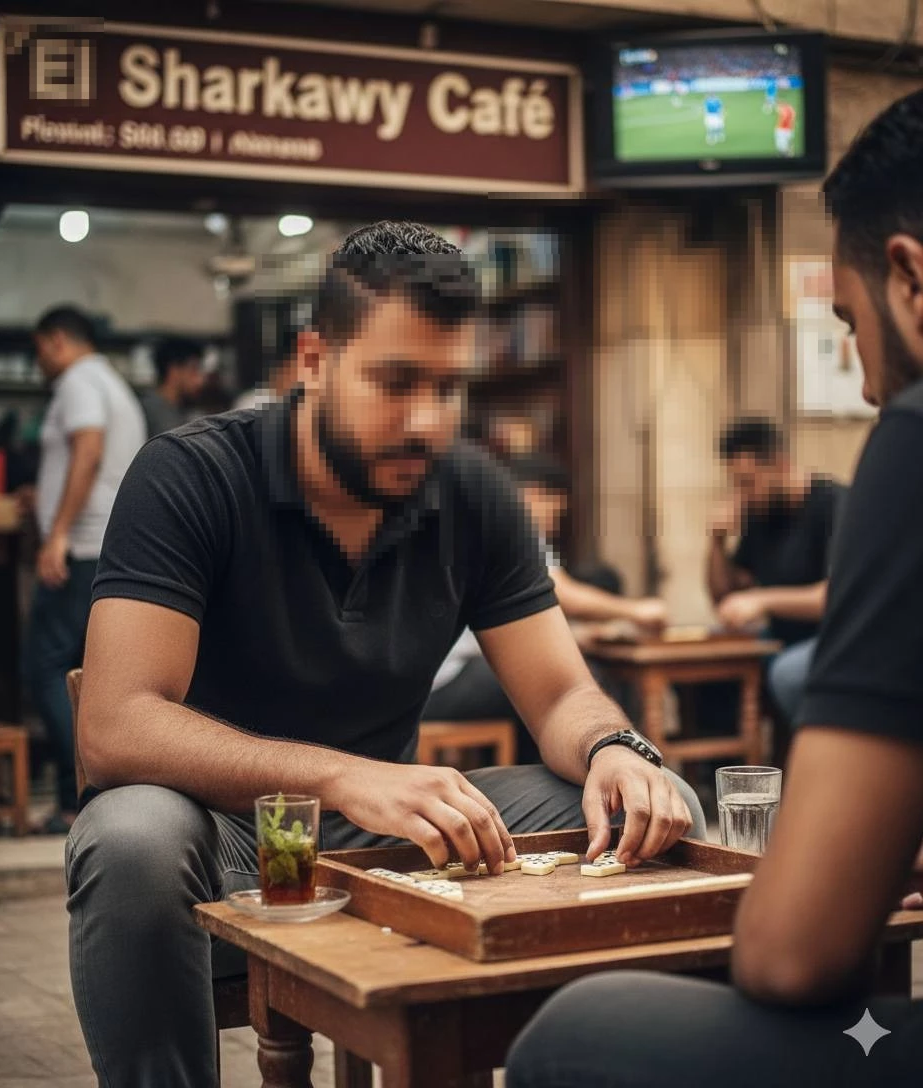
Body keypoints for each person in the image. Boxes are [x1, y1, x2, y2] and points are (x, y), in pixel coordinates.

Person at [67, 222, 705, 1088]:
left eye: (448, 387)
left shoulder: (473, 492)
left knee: (653, 815)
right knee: (130, 837)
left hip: (388, 827)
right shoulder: (192, 476)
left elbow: (559, 696)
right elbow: (114, 724)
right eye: (395, 382)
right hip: (223, 834)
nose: (426, 421)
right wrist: (338, 776)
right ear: (315, 360)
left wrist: (614, 751)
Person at [506, 86, 923, 1088]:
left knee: (580, 1028)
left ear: (908, 280)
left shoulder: (904, 446)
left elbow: (792, 953)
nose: (866, 382)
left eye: (851, 327)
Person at [425, 455, 667, 761]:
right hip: (442, 685)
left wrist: (577, 636)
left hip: (440, 683)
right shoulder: (508, 526)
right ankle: (604, 768)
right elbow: (562, 591)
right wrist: (636, 611)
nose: (557, 518)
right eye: (555, 506)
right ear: (531, 495)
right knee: (577, 684)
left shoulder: (471, 525)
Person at [24, 306, 146, 834]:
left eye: (39, 351)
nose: (39, 363)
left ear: (54, 341)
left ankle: (81, 797)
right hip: (105, 542)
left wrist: (57, 533)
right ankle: (89, 794)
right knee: (83, 671)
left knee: (44, 666)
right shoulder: (111, 381)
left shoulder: (77, 381)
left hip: (83, 546)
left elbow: (89, 449)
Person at [706, 416, 845, 754]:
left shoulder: (835, 504)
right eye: (735, 483)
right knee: (711, 661)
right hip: (778, 639)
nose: (742, 494)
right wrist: (716, 542)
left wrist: (763, 600)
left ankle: (816, 764)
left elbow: (837, 595)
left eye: (747, 482)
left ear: (781, 465)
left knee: (787, 673)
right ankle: (720, 777)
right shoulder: (760, 512)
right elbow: (725, 595)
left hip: (835, 639)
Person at [140, 337, 205, 437]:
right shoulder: (149, 412)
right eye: (194, 369)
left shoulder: (183, 410)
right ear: (174, 371)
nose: (199, 380)